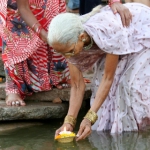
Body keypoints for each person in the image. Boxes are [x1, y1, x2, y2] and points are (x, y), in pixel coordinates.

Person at [47, 3, 150, 141]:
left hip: (141, 32)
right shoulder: (69, 42)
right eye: (61, 53)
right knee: (102, 90)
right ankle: (110, 135)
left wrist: (89, 119)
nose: (68, 57)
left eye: (70, 51)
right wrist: (69, 122)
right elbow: (77, 85)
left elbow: (108, 78)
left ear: (82, 37)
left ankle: (139, 137)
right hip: (117, 41)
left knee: (128, 87)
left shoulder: (108, 31)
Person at [0, 0, 70, 106]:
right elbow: (23, 8)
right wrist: (43, 34)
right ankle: (13, 87)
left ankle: (53, 76)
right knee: (16, 32)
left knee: (50, 8)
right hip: (17, 8)